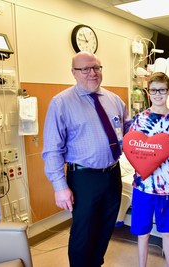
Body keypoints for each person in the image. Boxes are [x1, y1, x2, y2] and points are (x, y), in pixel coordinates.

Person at [42, 51, 132, 267]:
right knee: (83, 231)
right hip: (83, 178)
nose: (92, 73)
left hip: (112, 173)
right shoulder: (61, 103)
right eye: (85, 69)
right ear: (74, 72)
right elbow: (52, 149)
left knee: (106, 225)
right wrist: (59, 186)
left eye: (97, 68)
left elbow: (130, 131)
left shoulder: (114, 100)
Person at [128, 72, 169, 267]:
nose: (157, 94)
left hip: (166, 187)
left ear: (168, 91)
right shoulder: (139, 119)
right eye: (153, 90)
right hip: (143, 186)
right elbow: (131, 148)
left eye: (161, 90)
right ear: (148, 92)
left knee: (167, 232)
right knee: (143, 233)